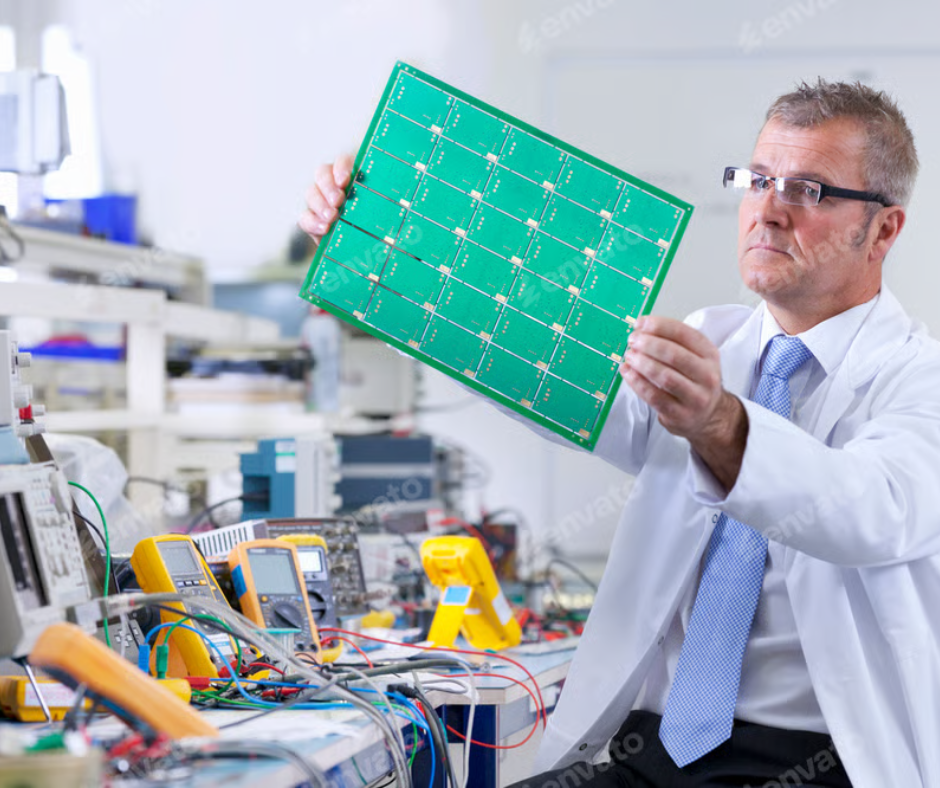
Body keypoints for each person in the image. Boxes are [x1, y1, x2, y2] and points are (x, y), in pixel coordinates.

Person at [300, 79, 940, 788]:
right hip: (652, 752)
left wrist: (720, 422)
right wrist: (380, 242)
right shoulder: (710, 343)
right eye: (757, 179)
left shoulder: (919, 380)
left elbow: (869, 510)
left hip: (813, 761)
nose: (768, 210)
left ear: (883, 229)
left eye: (810, 190)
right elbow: (533, 369)